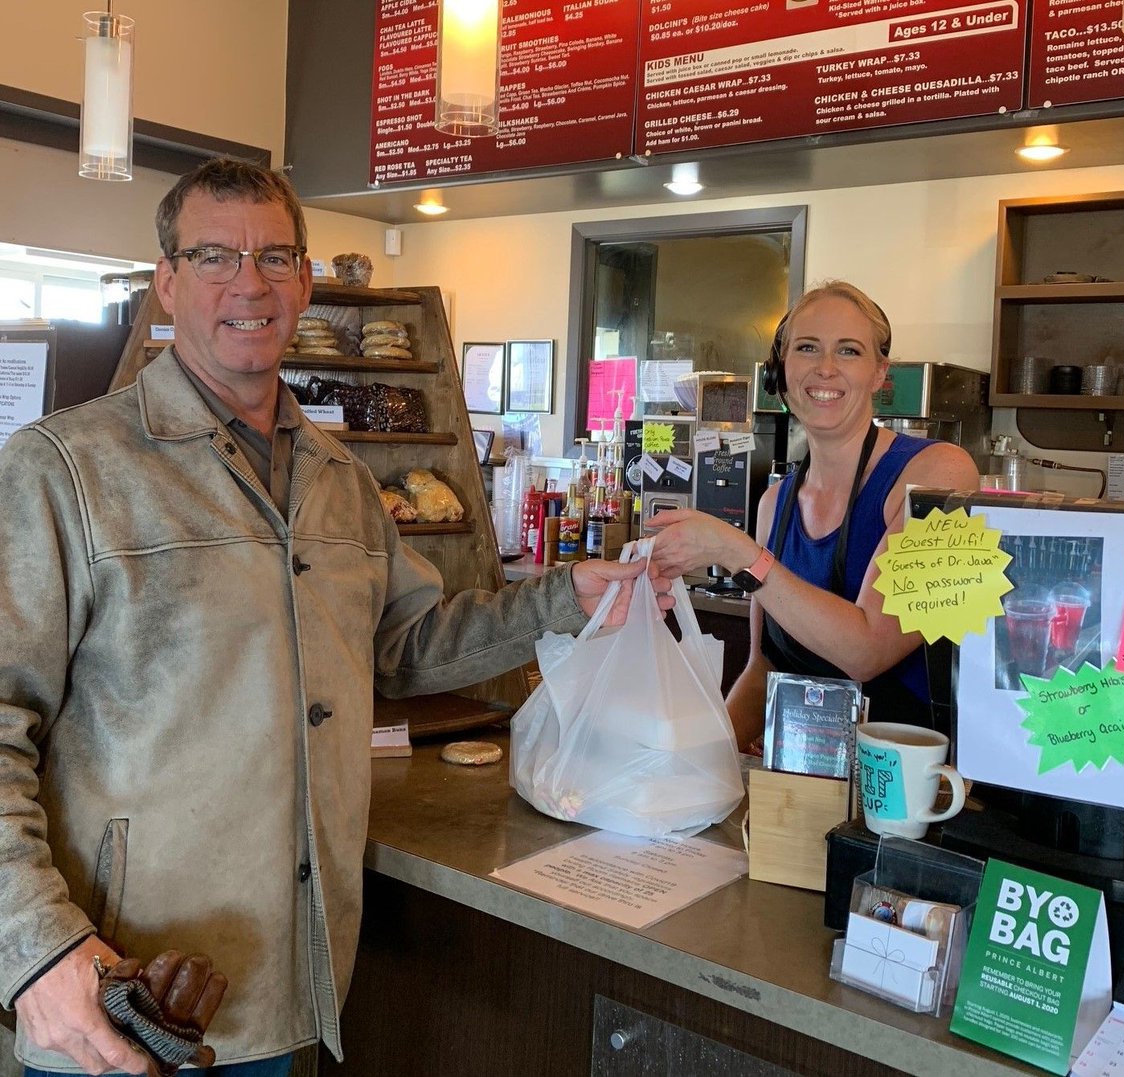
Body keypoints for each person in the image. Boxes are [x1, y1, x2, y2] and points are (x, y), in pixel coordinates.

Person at [0, 158, 666, 1077]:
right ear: (167, 282)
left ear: (307, 282)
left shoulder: (342, 481)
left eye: (276, 257)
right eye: (215, 256)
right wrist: (34, 948)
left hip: (290, 984)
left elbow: (404, 643)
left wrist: (564, 599)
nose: (250, 283)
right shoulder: (67, 470)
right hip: (124, 1000)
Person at [648, 281, 979, 750]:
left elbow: (868, 653)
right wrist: (700, 760)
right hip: (804, 781)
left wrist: (737, 551)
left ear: (879, 373)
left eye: (849, 351)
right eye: (807, 348)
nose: (825, 368)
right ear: (781, 370)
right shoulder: (773, 506)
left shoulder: (941, 475)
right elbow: (763, 671)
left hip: (908, 792)